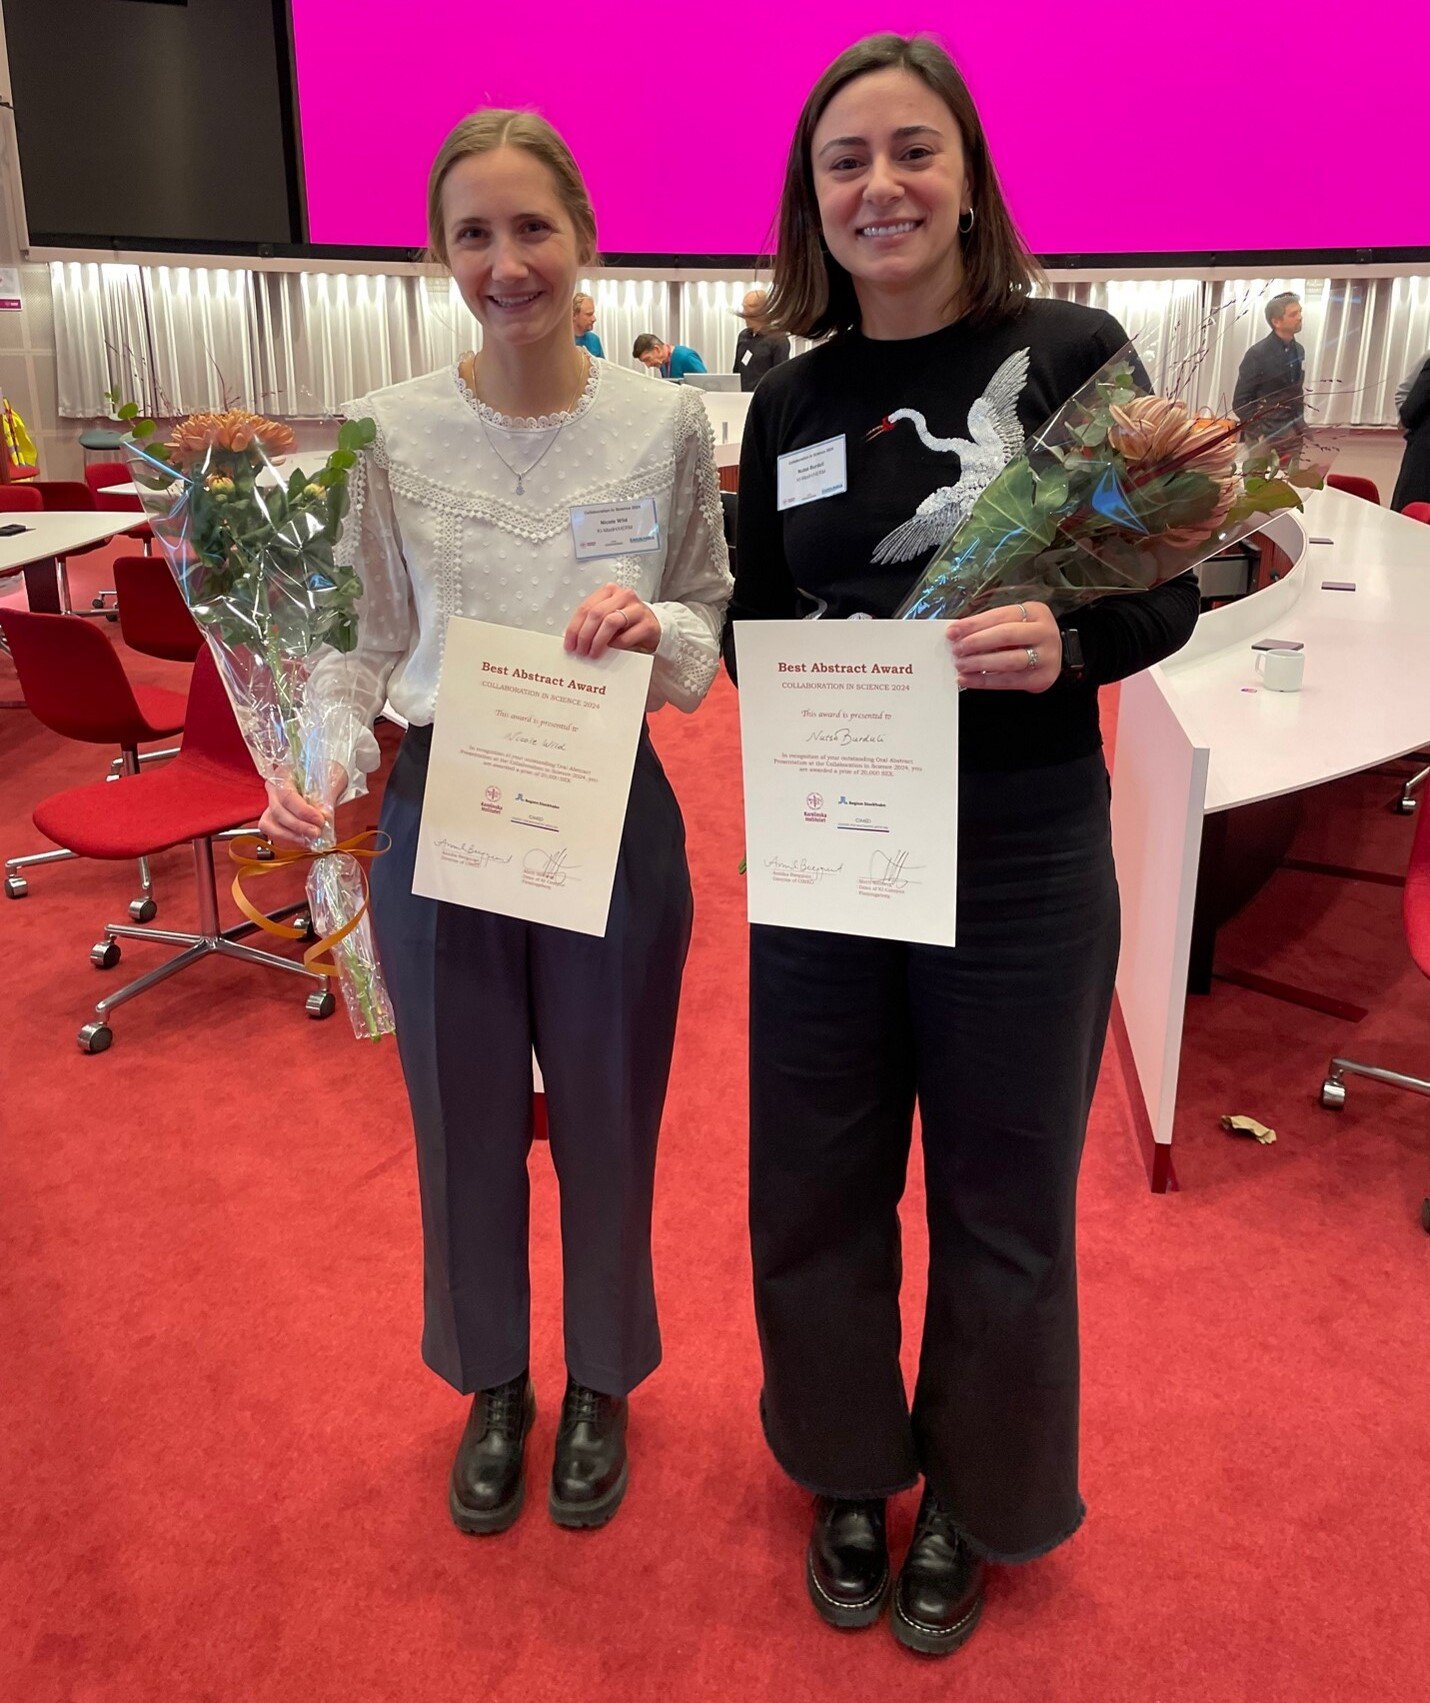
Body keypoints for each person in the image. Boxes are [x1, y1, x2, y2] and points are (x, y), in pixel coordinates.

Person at [724, 33, 1199, 1657]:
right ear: (813, 197)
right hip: (831, 842)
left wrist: (1068, 644)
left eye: (913, 151)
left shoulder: (1073, 355)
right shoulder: (784, 392)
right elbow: (756, 619)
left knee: (1004, 1200)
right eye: (846, 160)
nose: (882, 186)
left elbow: (1177, 578)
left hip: (1016, 849)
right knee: (813, 1181)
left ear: (971, 176)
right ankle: (851, 1464)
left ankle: (985, 1501)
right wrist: (779, 670)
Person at [259, 110, 731, 1536]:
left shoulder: (661, 422)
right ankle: (491, 1379)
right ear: (438, 252)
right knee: (461, 1118)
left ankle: (601, 1377)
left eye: (531, 228)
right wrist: (316, 757)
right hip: (440, 809)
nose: (505, 261)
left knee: (606, 1112)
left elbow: (709, 624)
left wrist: (657, 626)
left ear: (583, 239)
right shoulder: (391, 428)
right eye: (474, 233)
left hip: (611, 812)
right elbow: (360, 636)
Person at [1233, 291, 1306, 446]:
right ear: (1276, 322)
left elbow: (1296, 392)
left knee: (1293, 472)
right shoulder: (1257, 354)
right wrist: (1258, 432)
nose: (1300, 317)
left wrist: (1300, 427)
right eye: (1293, 314)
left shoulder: (1299, 350)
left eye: (1300, 312)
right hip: (1264, 436)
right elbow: (1240, 401)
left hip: (1293, 432)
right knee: (1257, 472)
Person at [1390, 352, 1430, 512]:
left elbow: (1410, 411)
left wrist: (1407, 419)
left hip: (1423, 462)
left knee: (1409, 522)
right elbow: (1403, 396)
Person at [734, 289, 791, 391]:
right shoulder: (743, 336)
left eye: (748, 309)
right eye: (744, 308)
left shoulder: (779, 339)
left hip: (764, 399)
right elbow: (737, 371)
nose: (744, 315)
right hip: (741, 399)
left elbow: (782, 377)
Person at [632, 334, 706, 379]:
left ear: (657, 349)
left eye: (647, 359)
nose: (648, 365)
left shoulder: (686, 357)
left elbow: (705, 385)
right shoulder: (662, 363)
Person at [572, 290, 604, 357]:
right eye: (589, 314)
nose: (594, 319)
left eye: (593, 314)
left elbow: (601, 367)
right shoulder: (561, 341)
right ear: (574, 315)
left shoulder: (595, 340)